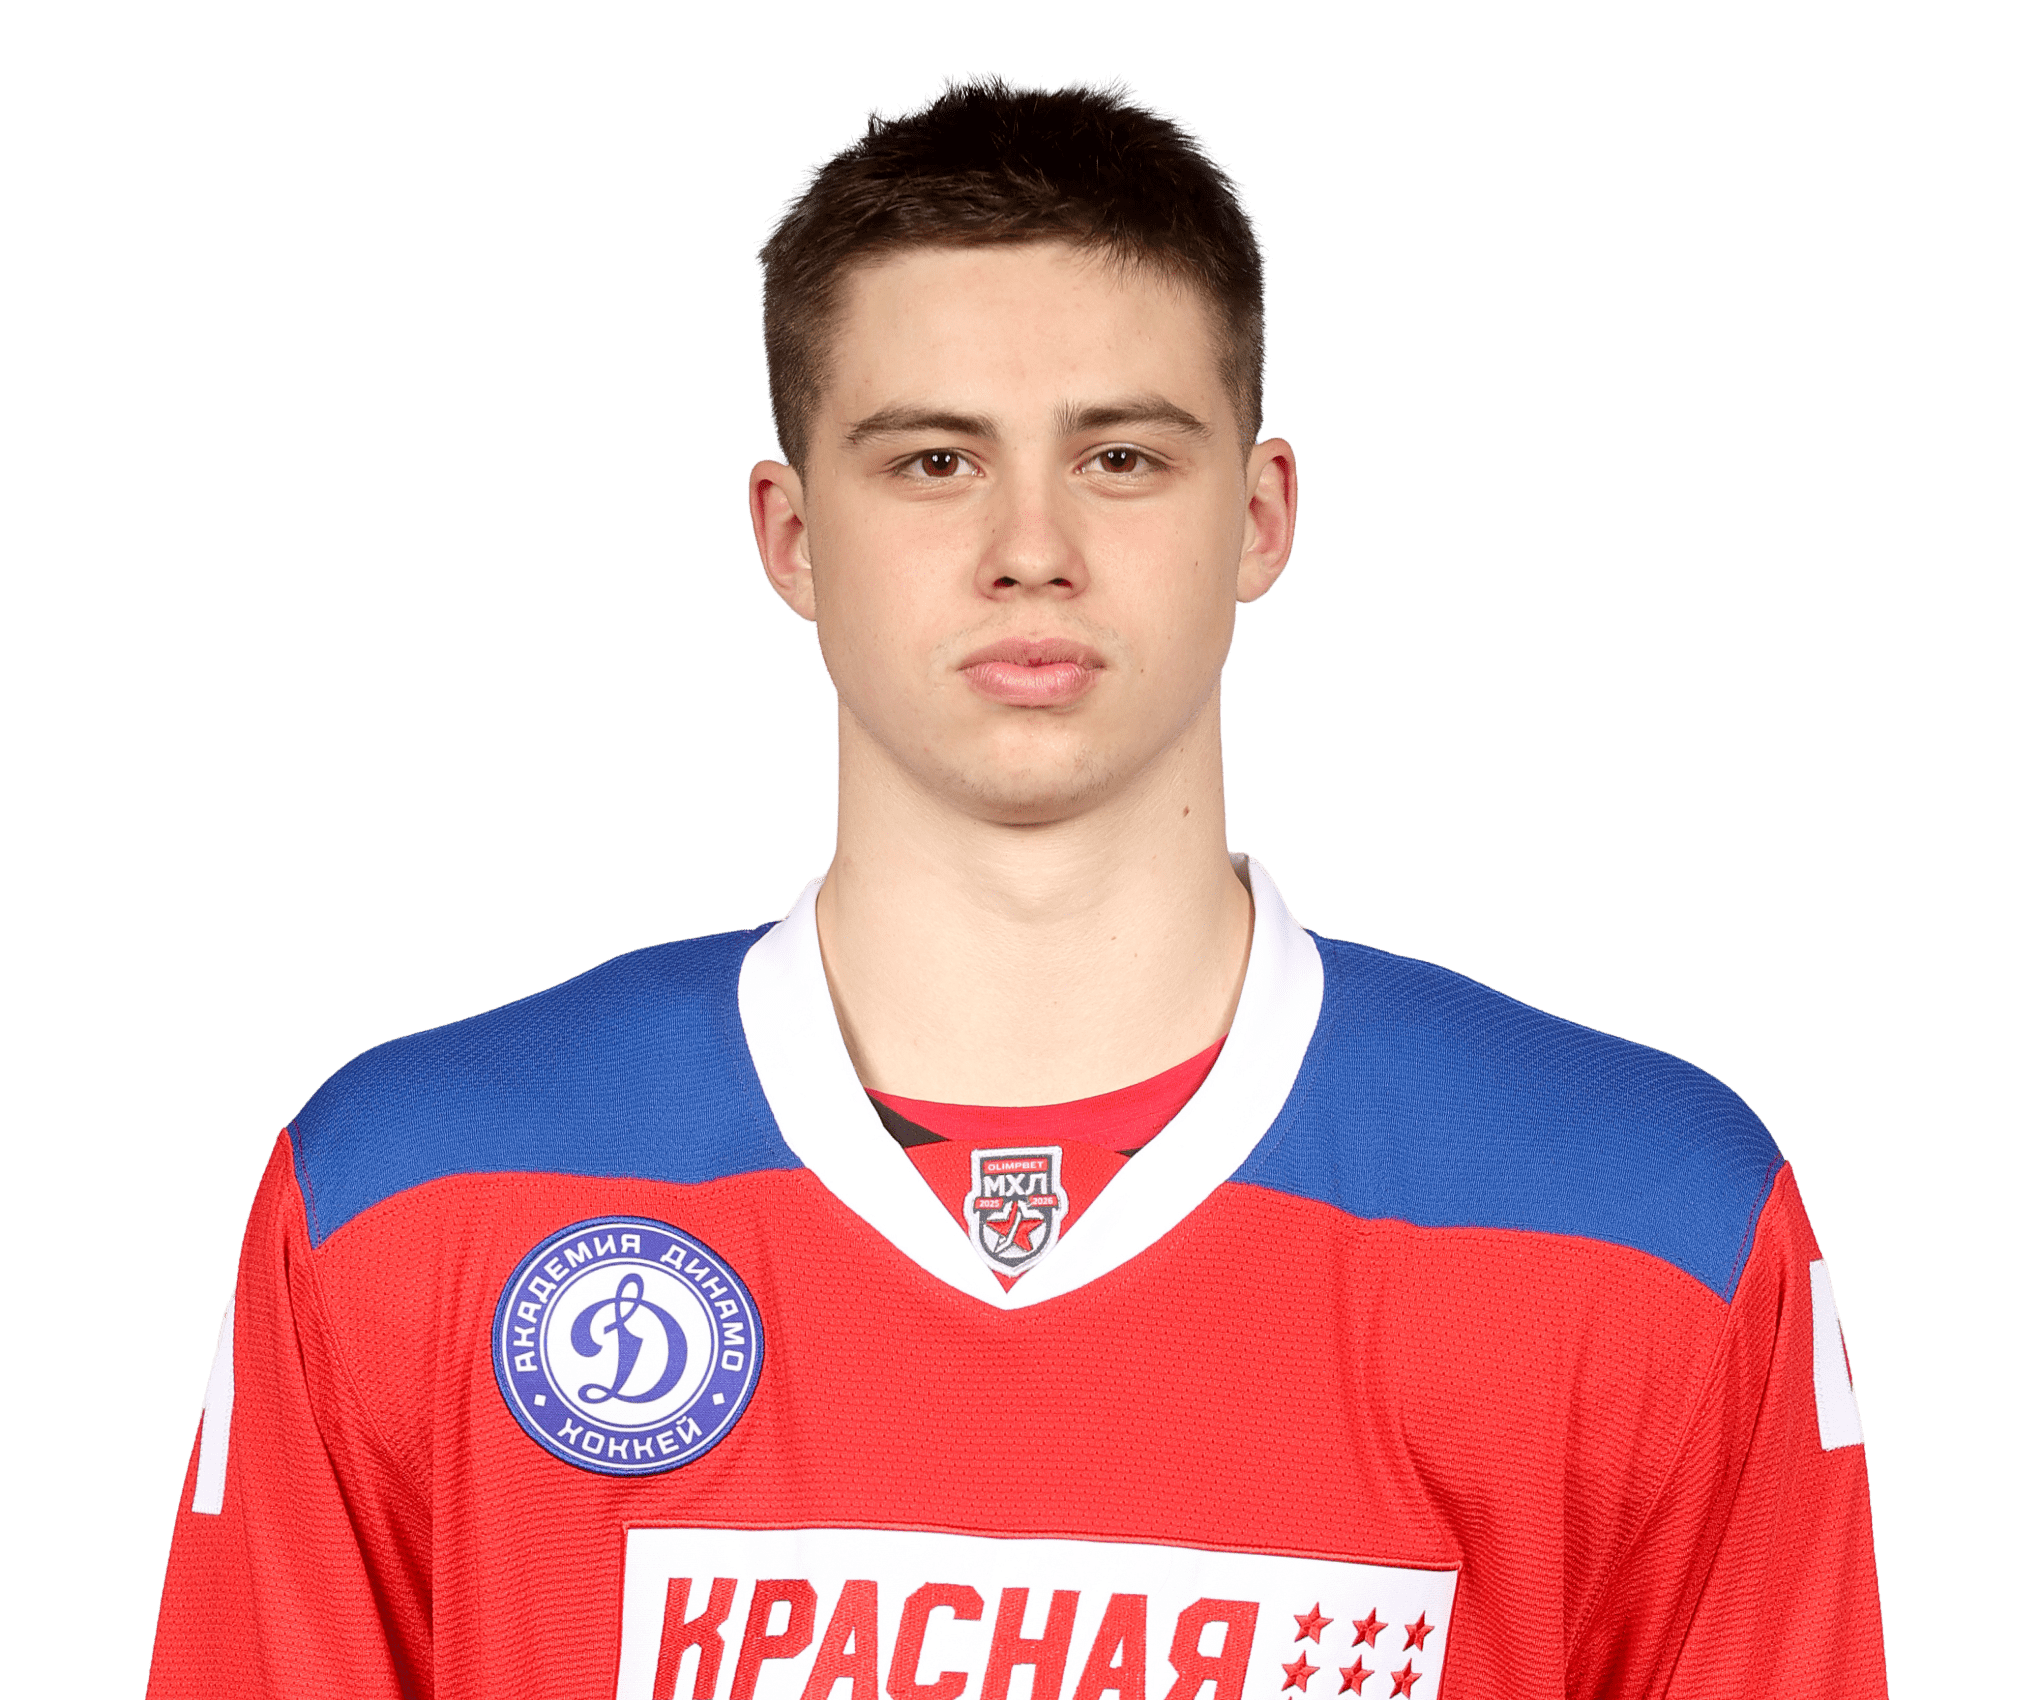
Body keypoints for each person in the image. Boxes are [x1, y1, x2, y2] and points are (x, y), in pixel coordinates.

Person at [147, 75, 1887, 1700]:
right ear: (790, 535)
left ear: (1261, 516)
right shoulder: (416, 1206)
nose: (1030, 550)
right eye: (933, 461)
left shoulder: (1641, 1231)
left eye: (1121, 456)